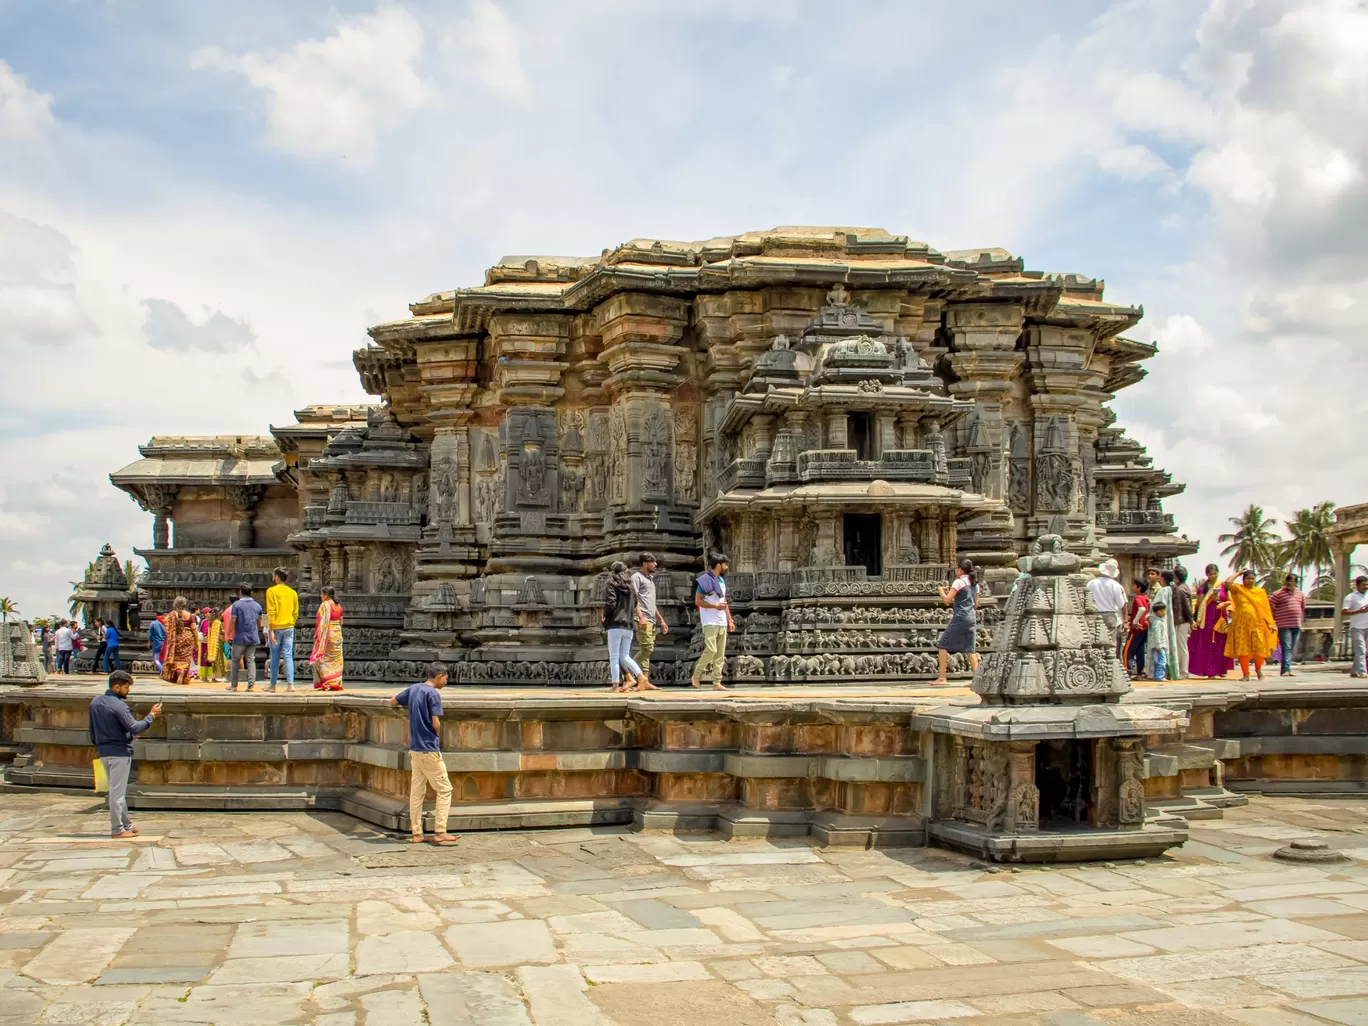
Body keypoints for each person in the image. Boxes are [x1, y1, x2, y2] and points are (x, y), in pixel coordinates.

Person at [389, 662, 457, 845]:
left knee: (417, 792)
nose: (446, 681)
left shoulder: (414, 689)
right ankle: (440, 831)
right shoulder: (433, 694)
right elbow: (436, 722)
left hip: (415, 749)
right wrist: (436, 734)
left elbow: (393, 701)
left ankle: (417, 833)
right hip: (429, 749)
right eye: (446, 678)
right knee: (445, 790)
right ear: (439, 676)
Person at [88, 669, 161, 839]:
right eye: (126, 687)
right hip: (119, 752)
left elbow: (92, 731)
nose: (128, 690)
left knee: (117, 789)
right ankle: (117, 829)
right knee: (117, 793)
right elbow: (135, 727)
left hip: (104, 751)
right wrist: (151, 716)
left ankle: (127, 824)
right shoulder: (119, 706)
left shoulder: (95, 703)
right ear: (116, 687)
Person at [602, 561, 651, 692]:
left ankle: (615, 686)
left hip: (615, 624)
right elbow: (635, 604)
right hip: (629, 625)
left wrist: (605, 615)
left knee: (614, 656)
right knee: (624, 656)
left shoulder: (611, 584)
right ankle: (641, 677)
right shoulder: (631, 587)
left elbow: (611, 603)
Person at [932, 558, 980, 685]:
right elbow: (976, 604)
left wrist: (941, 591)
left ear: (960, 570)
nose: (955, 571)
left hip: (960, 617)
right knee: (970, 648)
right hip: (971, 617)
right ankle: (976, 679)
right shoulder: (975, 584)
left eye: (956, 568)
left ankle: (942, 678)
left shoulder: (959, 582)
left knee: (942, 645)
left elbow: (947, 600)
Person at [1224, 569, 1278, 681]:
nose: (1250, 581)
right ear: (1243, 579)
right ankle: (1246, 674)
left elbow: (1265, 610)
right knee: (1243, 650)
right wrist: (1238, 573)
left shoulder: (1260, 592)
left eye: (1252, 578)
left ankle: (1258, 670)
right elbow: (1228, 583)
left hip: (1257, 624)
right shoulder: (1238, 589)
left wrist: (1270, 623)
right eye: (1248, 578)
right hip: (1241, 626)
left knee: (1260, 648)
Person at [691, 553, 734, 691]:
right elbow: (698, 601)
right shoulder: (704, 581)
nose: (726, 567)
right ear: (718, 565)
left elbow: (723, 602)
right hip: (709, 620)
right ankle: (696, 675)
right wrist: (714, 607)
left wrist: (730, 619)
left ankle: (717, 682)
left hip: (722, 620)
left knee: (720, 653)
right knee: (711, 649)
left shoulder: (721, 580)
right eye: (724, 564)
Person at [1189, 563, 1234, 679]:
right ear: (1207, 574)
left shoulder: (1224, 586)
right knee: (1209, 645)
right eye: (1210, 574)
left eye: (1215, 573)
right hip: (1207, 619)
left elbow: (1230, 602)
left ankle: (1221, 669)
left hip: (1221, 617)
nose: (1213, 576)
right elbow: (1200, 605)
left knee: (1221, 644)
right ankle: (1211, 671)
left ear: (1218, 573)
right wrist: (1210, 599)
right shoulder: (1202, 588)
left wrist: (1224, 603)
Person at [631, 552, 669, 683]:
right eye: (652, 562)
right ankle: (629, 671)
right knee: (648, 648)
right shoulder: (636, 577)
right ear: (644, 563)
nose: (655, 564)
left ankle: (644, 680)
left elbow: (651, 602)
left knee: (645, 650)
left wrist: (661, 620)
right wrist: (640, 616)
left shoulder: (651, 579)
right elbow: (634, 599)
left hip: (652, 619)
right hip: (643, 618)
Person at [266, 567, 300, 693]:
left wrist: (270, 630)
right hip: (289, 627)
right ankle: (290, 685)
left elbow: (271, 611)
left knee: (275, 656)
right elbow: (295, 612)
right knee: (288, 656)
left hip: (276, 627)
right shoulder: (293, 593)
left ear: (277, 577)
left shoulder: (271, 591)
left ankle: (273, 685)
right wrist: (291, 622)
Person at [1269, 573, 1307, 677]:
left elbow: (1302, 608)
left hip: (1296, 624)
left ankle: (1286, 669)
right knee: (1286, 647)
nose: (1289, 583)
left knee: (1291, 648)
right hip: (1283, 624)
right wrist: (1274, 616)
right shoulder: (1278, 594)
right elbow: (1269, 604)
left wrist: (1301, 621)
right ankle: (1286, 669)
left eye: (1292, 581)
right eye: (1288, 581)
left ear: (1296, 583)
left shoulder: (1300, 594)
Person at [227, 585, 264, 692]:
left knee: (235, 660)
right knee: (251, 660)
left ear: (240, 593)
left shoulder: (237, 605)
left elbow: (233, 620)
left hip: (239, 637)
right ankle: (251, 685)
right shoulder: (257, 605)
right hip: (253, 636)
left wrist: (228, 634)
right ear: (251, 593)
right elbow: (260, 622)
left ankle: (234, 685)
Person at [309, 586, 345, 690]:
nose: (321, 596)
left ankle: (327, 682)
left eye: (321, 594)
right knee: (336, 660)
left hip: (328, 634)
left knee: (321, 659)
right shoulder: (339, 606)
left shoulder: (325, 605)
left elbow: (322, 622)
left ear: (326, 595)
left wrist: (318, 635)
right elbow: (341, 622)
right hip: (337, 634)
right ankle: (336, 682)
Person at [1087, 559, 1127, 653]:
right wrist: (1125, 619)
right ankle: (1110, 659)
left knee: (1095, 639)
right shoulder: (1116, 585)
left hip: (1094, 614)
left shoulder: (1091, 583)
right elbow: (1121, 604)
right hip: (1109, 615)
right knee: (1110, 641)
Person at [161, 598, 200, 686]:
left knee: (176, 658)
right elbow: (194, 628)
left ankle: (179, 671)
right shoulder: (190, 615)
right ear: (185, 604)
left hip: (176, 638)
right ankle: (183, 671)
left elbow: (167, 628)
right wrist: (196, 642)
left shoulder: (171, 615)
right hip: (187, 638)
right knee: (186, 658)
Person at [1124, 579, 1150, 679]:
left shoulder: (1138, 598)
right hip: (1143, 627)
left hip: (1136, 629)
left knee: (1128, 650)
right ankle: (1140, 672)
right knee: (1140, 651)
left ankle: (1127, 671)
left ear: (1139, 587)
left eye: (1134, 585)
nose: (1132, 587)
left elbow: (1142, 609)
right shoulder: (1146, 598)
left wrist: (1135, 621)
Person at [1172, 566, 1194, 680]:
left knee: (1181, 646)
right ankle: (1181, 670)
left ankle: (1183, 671)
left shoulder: (1180, 589)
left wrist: (1191, 620)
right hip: (1182, 620)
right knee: (1180, 645)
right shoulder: (1183, 587)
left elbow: (1187, 606)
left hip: (1182, 620)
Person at [1343, 576, 1368, 678]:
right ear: (1357, 585)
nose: (1366, 587)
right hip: (1357, 627)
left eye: (1367, 584)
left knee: (1364, 651)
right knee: (1361, 650)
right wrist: (1359, 611)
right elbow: (1344, 611)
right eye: (1363, 585)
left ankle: (1354, 670)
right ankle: (1362, 672)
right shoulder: (1350, 597)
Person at [202, 604, 228, 683]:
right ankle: (214, 677)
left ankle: (210, 677)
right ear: (219, 614)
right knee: (218, 660)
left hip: (210, 643)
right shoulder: (218, 622)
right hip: (217, 644)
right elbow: (220, 634)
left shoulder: (211, 622)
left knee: (213, 661)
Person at [1147, 601, 1171, 681]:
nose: (1163, 612)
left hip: (1161, 645)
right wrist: (1158, 645)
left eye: (1164, 610)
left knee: (1159, 660)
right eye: (1161, 611)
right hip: (1158, 645)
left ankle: (1158, 676)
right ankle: (1160, 676)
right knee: (1161, 661)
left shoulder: (1160, 621)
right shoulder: (1157, 622)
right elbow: (1156, 634)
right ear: (1155, 612)